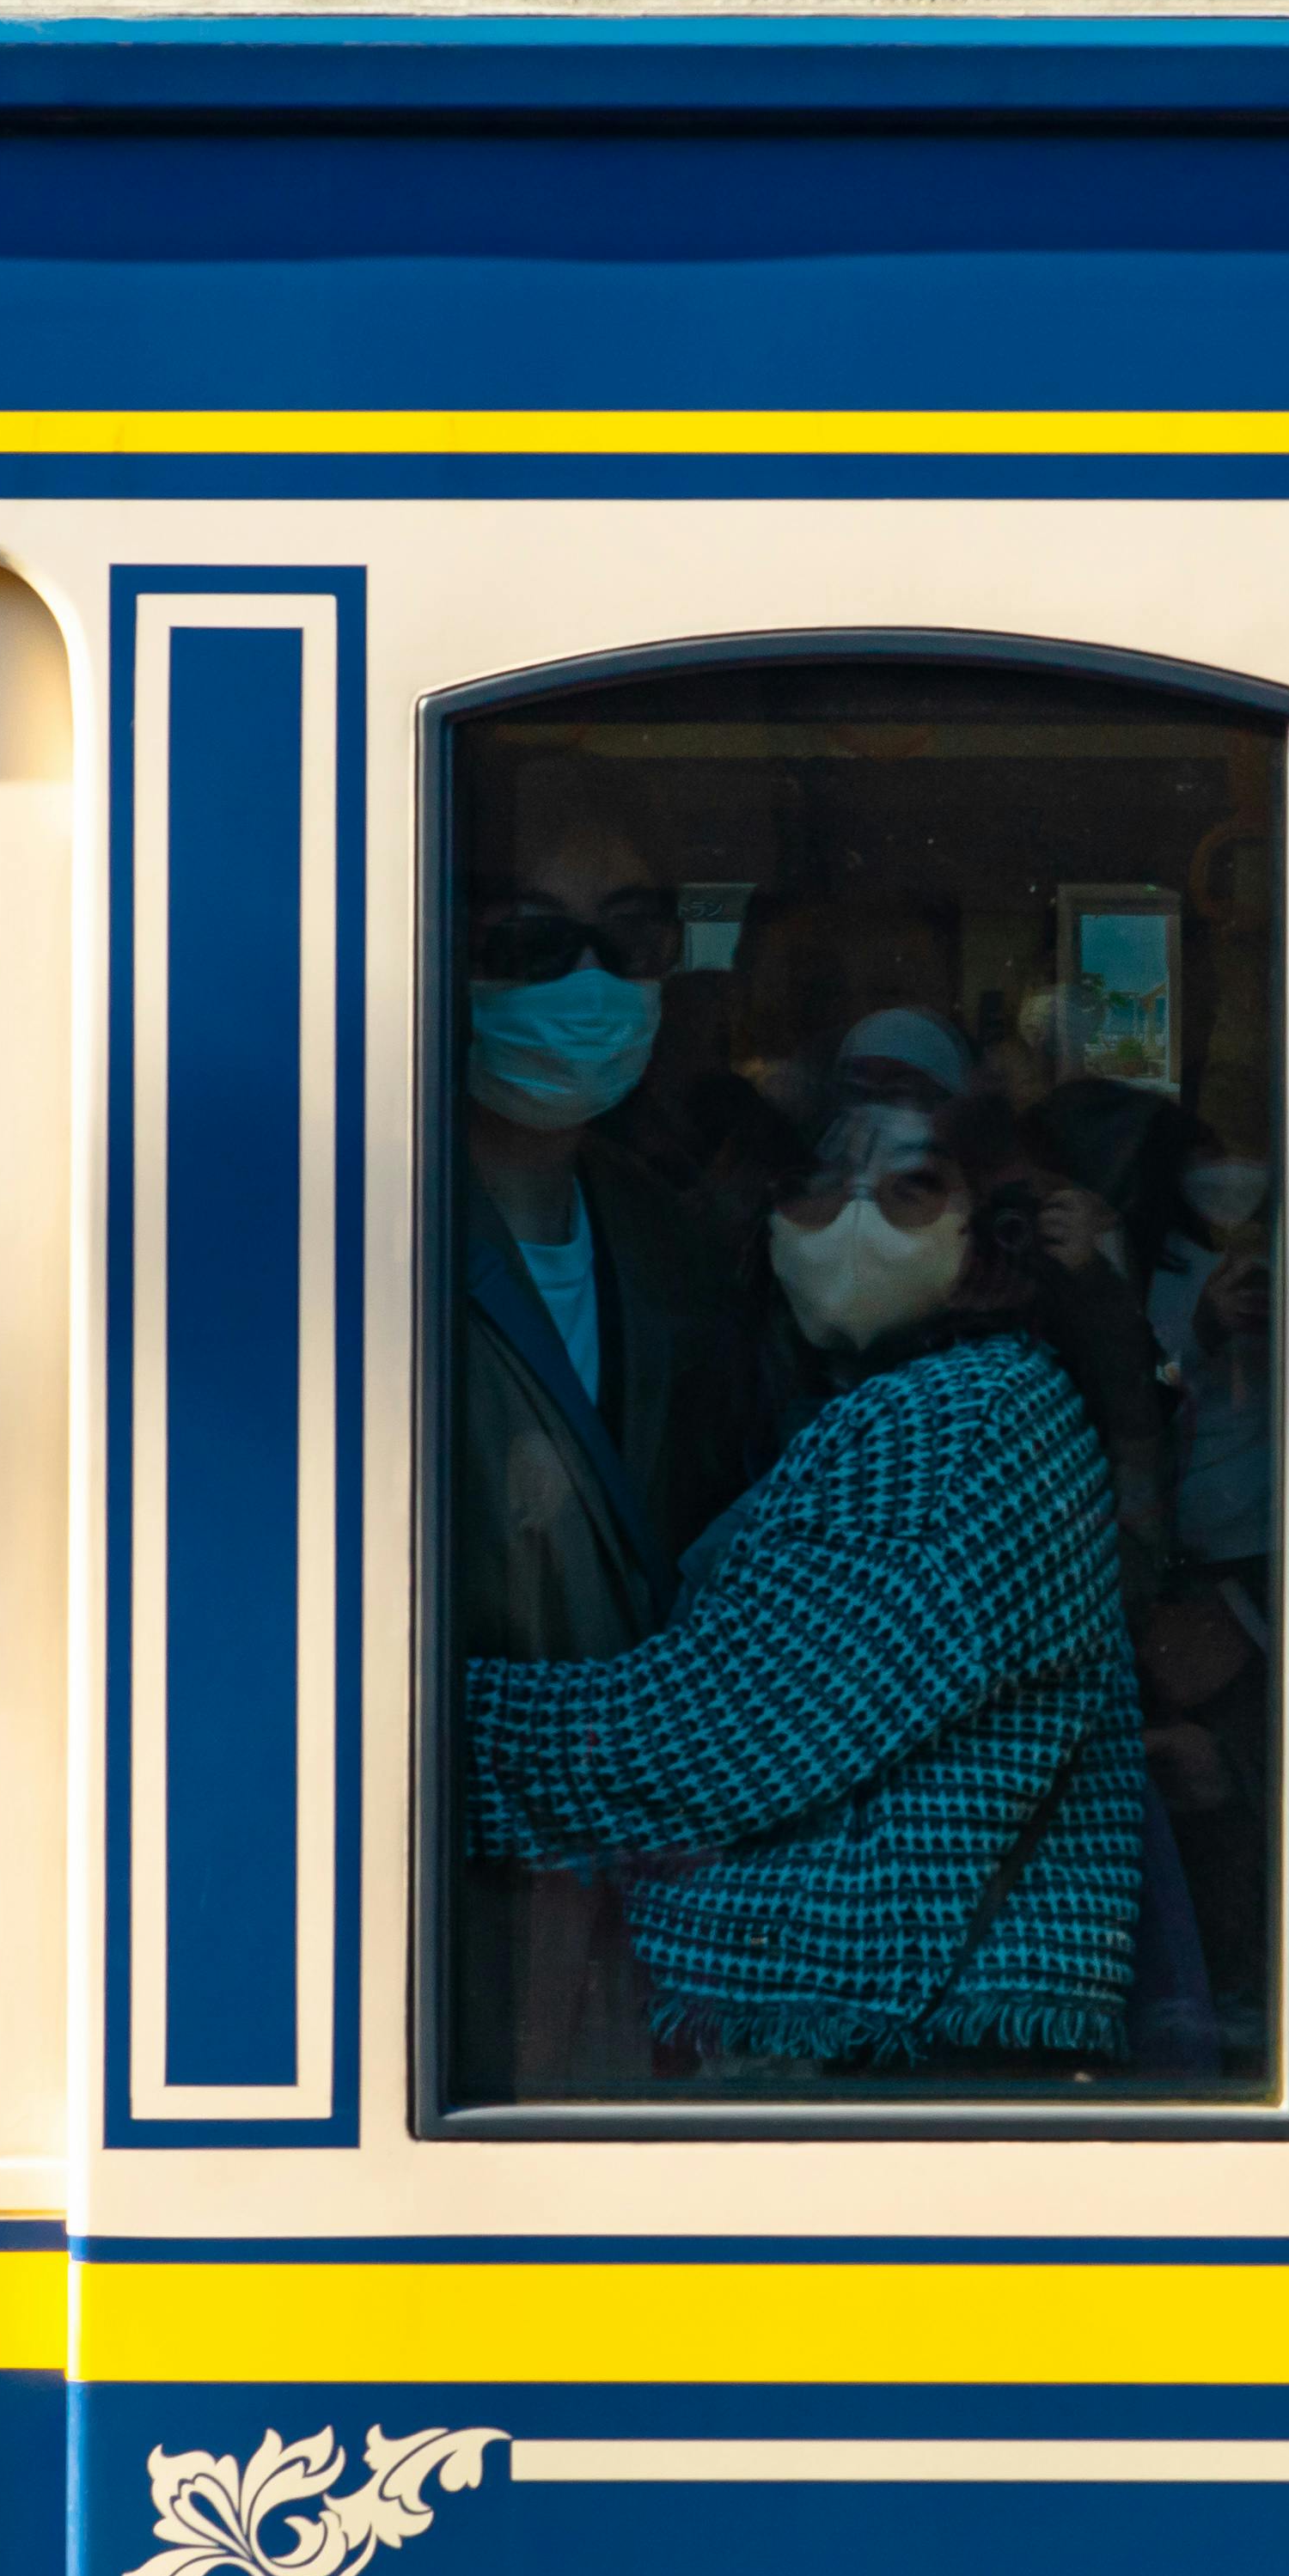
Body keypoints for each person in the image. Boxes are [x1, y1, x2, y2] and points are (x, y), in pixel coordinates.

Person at [452, 1069, 1143, 2077]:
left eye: (909, 1191)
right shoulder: (926, 1398)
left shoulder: (952, 1420)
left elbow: (724, 1738)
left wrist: (411, 1724)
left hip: (901, 2035)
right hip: (907, 2020)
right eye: (816, 1187)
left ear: (988, 1231)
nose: (848, 1226)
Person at [445, 772, 774, 2094]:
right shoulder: (370, 1247)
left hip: (643, 1913)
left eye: (630, 941)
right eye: (526, 943)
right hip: (448, 1915)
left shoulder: (680, 1251)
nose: (586, 986)